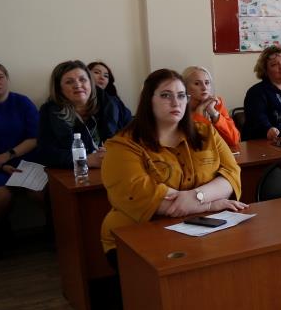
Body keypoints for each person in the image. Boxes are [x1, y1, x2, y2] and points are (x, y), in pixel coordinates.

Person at [100, 69, 245, 257]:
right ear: (148, 100)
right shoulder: (122, 145)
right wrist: (209, 205)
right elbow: (153, 199)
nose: (176, 103)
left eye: (181, 95)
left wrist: (197, 196)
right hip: (137, 236)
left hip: (200, 229)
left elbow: (231, 175)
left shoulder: (206, 132)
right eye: (165, 95)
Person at [36, 60, 129, 169]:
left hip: (117, 166)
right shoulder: (49, 111)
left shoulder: (113, 104)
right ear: (59, 89)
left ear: (90, 83)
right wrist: (85, 160)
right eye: (69, 82)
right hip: (77, 173)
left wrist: (115, 150)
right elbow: (45, 153)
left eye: (82, 79)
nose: (77, 85)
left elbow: (134, 137)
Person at [0, 62, 40, 251]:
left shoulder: (22, 102)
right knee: (1, 196)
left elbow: (34, 138)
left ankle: (58, 233)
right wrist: (1, 165)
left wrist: (8, 155)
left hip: (25, 161)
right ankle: (0, 235)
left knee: (40, 192)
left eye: (0, 77)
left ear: (7, 78)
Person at [182, 66, 241, 151]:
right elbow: (197, 145)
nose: (204, 88)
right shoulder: (180, 108)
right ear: (185, 87)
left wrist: (213, 113)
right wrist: (199, 113)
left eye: (207, 83)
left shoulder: (216, 104)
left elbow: (234, 139)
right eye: (197, 84)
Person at [88, 60, 133, 125]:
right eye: (97, 72)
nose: (102, 77)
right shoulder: (79, 98)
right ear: (86, 74)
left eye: (106, 76)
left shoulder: (115, 101)